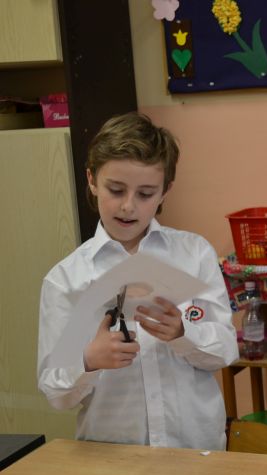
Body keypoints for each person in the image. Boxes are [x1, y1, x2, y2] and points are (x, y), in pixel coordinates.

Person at [37, 112, 237, 451]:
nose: (128, 206)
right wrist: (88, 360)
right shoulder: (67, 279)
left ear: (165, 191)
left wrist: (184, 334)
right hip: (110, 454)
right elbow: (56, 394)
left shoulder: (193, 254)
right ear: (91, 180)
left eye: (145, 194)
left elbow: (226, 351)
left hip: (195, 450)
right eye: (115, 190)